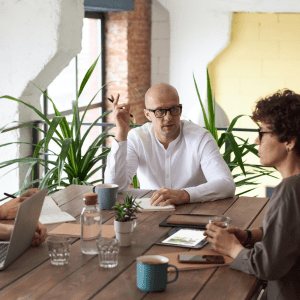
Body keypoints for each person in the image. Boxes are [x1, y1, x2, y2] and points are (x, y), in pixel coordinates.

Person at [204, 89, 300, 300]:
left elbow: (268, 265)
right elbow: (290, 235)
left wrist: (232, 248)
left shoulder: (290, 189)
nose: (256, 141)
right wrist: (248, 236)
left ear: (289, 141)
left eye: (262, 133)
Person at [104, 83, 235, 206]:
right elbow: (114, 186)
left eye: (173, 109)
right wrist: (121, 132)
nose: (168, 117)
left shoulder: (200, 138)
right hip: (151, 213)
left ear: (180, 108)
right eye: (160, 111)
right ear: (147, 114)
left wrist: (184, 195)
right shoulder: (137, 138)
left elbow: (226, 184)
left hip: (193, 211)